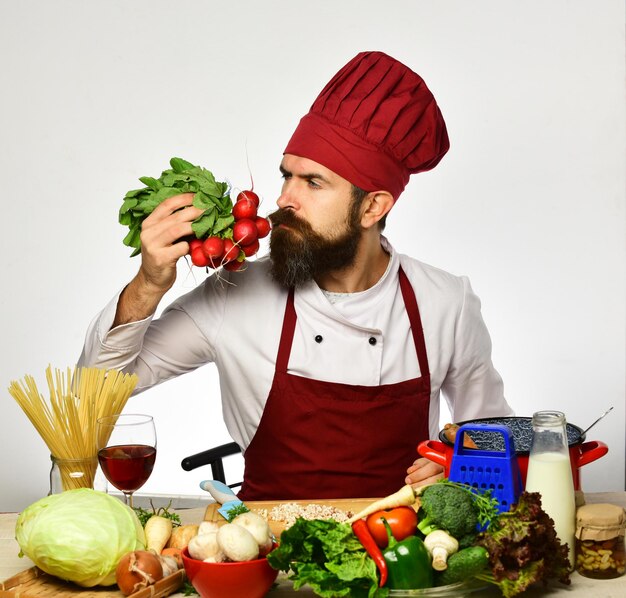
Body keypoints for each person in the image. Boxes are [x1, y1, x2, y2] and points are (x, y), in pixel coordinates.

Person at [79, 51, 513, 500]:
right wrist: (148, 285)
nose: (284, 198)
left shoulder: (444, 302)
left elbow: (494, 439)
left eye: (313, 182)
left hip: (404, 550)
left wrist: (460, 468)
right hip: (267, 553)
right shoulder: (235, 294)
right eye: (286, 176)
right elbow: (91, 395)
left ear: (372, 207)